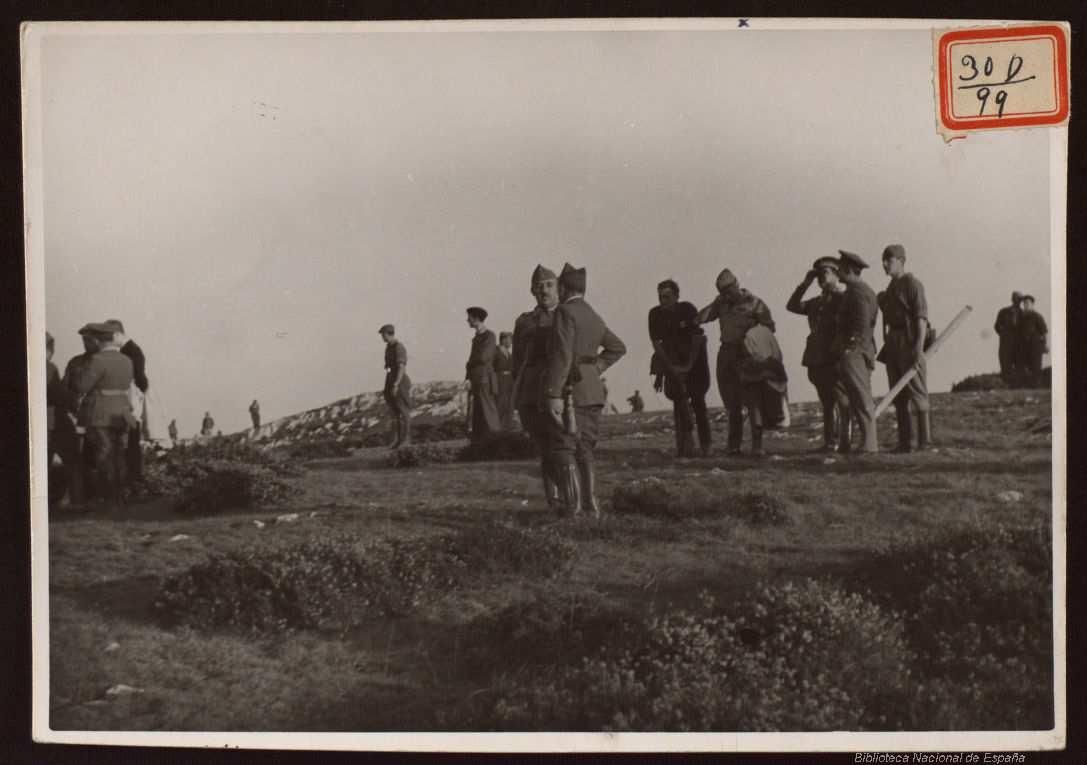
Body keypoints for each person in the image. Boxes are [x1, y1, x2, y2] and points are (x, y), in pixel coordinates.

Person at [543, 263, 627, 517]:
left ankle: (574, 509)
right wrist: (594, 369)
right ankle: (591, 507)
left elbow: (562, 355)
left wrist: (553, 393)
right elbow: (618, 347)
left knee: (564, 446)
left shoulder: (564, 312)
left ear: (564, 288)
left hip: (571, 392)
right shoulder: (593, 315)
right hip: (593, 391)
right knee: (586, 448)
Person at [696, 268, 776, 456]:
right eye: (722, 292)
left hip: (748, 354)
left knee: (754, 401)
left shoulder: (754, 303)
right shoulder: (721, 303)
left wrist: (752, 340)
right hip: (726, 353)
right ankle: (734, 446)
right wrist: (716, 302)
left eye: (728, 291)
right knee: (732, 403)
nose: (726, 295)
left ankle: (757, 446)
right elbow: (701, 318)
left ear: (737, 284)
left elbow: (770, 328)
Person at [787, 257, 851, 452]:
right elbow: (792, 306)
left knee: (842, 401)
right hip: (817, 359)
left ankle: (845, 442)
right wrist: (805, 283)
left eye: (825, 273)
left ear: (837, 274)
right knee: (827, 402)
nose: (821, 278)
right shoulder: (816, 302)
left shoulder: (843, 298)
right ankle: (830, 442)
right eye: (819, 275)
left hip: (834, 357)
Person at [512, 265, 561, 509]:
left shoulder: (567, 315)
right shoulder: (524, 321)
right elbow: (517, 361)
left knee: (564, 446)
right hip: (532, 393)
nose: (544, 290)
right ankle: (554, 500)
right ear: (532, 291)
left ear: (558, 287)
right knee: (545, 447)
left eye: (549, 285)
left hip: (560, 391)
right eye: (539, 286)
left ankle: (574, 499)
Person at [74, 323, 137, 507]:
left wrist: (79, 372)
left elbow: (81, 386)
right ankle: (119, 495)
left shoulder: (97, 360)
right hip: (122, 413)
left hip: (101, 413)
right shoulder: (127, 360)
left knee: (104, 455)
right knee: (119, 454)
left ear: (97, 340)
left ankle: (107, 497)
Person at [878, 244, 932, 452]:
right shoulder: (891, 288)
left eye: (889, 261)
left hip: (909, 340)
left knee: (917, 390)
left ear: (901, 261)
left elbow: (921, 318)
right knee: (897, 393)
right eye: (883, 261)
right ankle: (906, 442)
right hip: (893, 343)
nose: (885, 264)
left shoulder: (912, 284)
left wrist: (917, 348)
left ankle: (925, 442)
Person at [650, 278, 712, 457]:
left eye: (667, 297)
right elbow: (657, 344)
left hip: (695, 361)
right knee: (678, 401)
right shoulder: (655, 314)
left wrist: (688, 366)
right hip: (672, 361)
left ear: (677, 296)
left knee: (698, 401)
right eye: (660, 297)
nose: (663, 301)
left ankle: (706, 446)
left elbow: (697, 339)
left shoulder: (687, 309)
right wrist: (667, 369)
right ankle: (685, 446)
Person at [833, 250, 880, 454]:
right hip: (856, 351)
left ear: (850, 270)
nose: (838, 272)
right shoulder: (854, 291)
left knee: (861, 398)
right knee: (858, 397)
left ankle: (869, 445)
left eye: (841, 269)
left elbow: (862, 323)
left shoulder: (858, 292)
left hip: (856, 352)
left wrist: (850, 347)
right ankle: (866, 443)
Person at [104, 320, 148, 481]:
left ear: (117, 334)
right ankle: (133, 477)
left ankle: (133, 477)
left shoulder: (130, 351)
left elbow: (140, 380)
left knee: (130, 440)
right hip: (131, 401)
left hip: (130, 401)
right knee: (131, 440)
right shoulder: (131, 349)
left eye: (109, 337)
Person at [464, 307, 502, 444]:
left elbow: (483, 356)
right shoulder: (477, 338)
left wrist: (470, 364)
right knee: (478, 412)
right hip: (476, 378)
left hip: (484, 378)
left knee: (488, 410)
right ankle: (480, 442)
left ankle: (496, 440)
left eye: (469, 317)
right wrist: (468, 377)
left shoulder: (489, 336)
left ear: (476, 318)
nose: (467, 320)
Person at [379, 324, 412, 448]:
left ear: (388, 333)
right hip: (390, 379)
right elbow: (388, 367)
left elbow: (401, 367)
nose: (382, 337)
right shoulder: (388, 348)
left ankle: (406, 440)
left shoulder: (399, 347)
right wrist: (388, 382)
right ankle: (398, 440)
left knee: (403, 411)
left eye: (383, 334)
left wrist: (396, 384)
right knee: (395, 412)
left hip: (400, 381)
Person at [1017, 295, 1049, 387]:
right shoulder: (1021, 317)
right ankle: (1025, 385)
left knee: (1036, 365)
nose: (1026, 305)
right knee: (1024, 365)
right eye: (1024, 303)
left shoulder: (1037, 316)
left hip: (1035, 345)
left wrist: (1045, 345)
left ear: (1032, 304)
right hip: (1024, 345)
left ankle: (1036, 385)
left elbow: (1044, 332)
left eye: (1028, 303)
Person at [994, 292, 1023, 385]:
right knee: (1005, 363)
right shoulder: (1003, 311)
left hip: (1019, 343)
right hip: (1006, 342)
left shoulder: (1023, 313)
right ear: (1012, 299)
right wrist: (1004, 334)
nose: (1017, 301)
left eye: (1019, 299)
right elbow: (997, 326)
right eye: (1015, 298)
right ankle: (1006, 384)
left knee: (1019, 364)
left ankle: (1018, 385)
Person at [494, 331, 516, 430]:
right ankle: (497, 428)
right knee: (499, 404)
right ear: (503, 339)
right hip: (499, 381)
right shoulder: (496, 351)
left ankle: (507, 427)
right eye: (510, 339)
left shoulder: (509, 353)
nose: (511, 342)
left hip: (509, 381)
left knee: (509, 404)